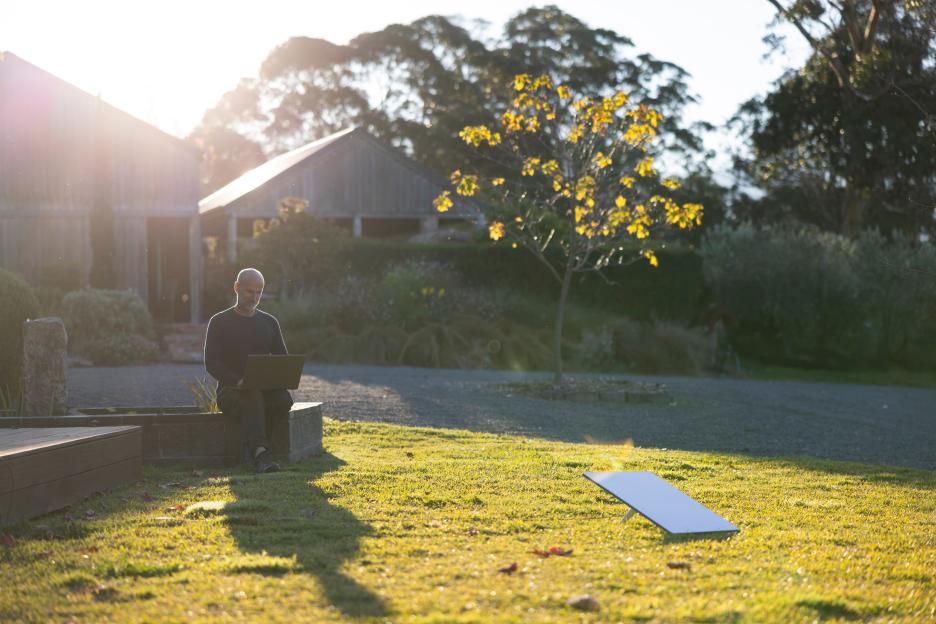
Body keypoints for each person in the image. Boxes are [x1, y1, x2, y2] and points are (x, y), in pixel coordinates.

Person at [204, 267, 293, 473]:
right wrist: (238, 381)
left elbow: (283, 359)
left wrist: (281, 377)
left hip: (263, 389)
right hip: (230, 391)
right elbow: (212, 363)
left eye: (258, 292)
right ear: (237, 288)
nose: (254, 297)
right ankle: (262, 454)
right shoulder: (219, 322)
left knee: (283, 399)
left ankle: (252, 447)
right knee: (252, 395)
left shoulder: (270, 322)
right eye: (249, 291)